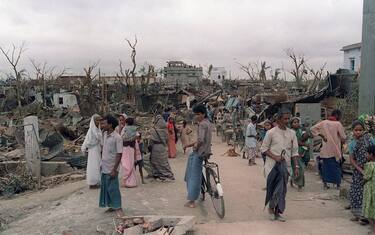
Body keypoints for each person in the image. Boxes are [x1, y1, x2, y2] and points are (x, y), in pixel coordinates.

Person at [261, 108, 299, 222]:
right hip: (272, 166)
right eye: (285, 119)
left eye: (288, 119)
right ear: (279, 119)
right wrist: (276, 157)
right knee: (275, 189)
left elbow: (294, 152)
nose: (287, 121)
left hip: (285, 166)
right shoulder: (271, 132)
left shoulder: (292, 133)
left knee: (282, 190)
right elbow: (264, 149)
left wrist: (296, 166)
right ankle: (271, 209)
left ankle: (278, 212)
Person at [183, 104, 212, 208]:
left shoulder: (202, 124)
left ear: (203, 114)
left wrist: (195, 147)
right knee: (195, 173)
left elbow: (200, 140)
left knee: (192, 175)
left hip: (200, 152)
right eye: (195, 114)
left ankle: (191, 201)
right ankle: (197, 192)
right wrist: (190, 144)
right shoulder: (208, 123)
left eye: (198, 114)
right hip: (206, 151)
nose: (197, 116)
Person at [311, 109, 346, 189]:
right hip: (335, 150)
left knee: (325, 167)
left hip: (325, 149)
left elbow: (312, 129)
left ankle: (325, 184)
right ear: (337, 115)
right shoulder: (338, 124)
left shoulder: (323, 123)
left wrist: (321, 135)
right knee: (336, 167)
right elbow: (343, 137)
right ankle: (337, 184)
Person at [349, 121, 375, 223]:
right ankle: (357, 215)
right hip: (358, 171)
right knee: (356, 192)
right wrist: (360, 170)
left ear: (363, 130)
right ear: (352, 131)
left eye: (360, 130)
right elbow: (352, 160)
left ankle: (365, 217)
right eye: (356, 130)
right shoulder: (352, 144)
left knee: (368, 194)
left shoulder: (370, 139)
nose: (358, 132)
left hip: (371, 171)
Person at [99, 115, 124, 217]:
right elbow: (103, 149)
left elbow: (119, 154)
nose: (102, 125)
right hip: (105, 165)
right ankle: (112, 205)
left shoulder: (117, 138)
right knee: (106, 187)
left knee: (113, 188)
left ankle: (118, 207)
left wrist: (114, 169)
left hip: (112, 167)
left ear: (110, 125)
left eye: (104, 123)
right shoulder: (104, 135)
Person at [149, 115, 175, 182]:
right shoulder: (165, 130)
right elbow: (166, 139)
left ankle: (158, 174)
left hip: (155, 147)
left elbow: (151, 140)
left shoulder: (153, 130)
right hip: (162, 147)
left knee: (155, 161)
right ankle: (168, 174)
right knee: (163, 162)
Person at [81, 114, 102, 189]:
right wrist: (95, 143)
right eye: (97, 120)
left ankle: (97, 182)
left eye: (99, 120)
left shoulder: (98, 129)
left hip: (97, 149)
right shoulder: (91, 130)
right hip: (93, 150)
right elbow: (88, 142)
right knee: (93, 166)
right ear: (93, 121)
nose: (98, 122)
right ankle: (92, 182)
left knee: (98, 165)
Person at [120, 117, 139, 188]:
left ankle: (126, 179)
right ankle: (132, 182)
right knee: (131, 163)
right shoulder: (134, 129)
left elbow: (121, 137)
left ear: (126, 123)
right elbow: (137, 136)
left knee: (125, 163)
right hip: (131, 148)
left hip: (125, 148)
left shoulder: (124, 129)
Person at [290, 117, 306, 191]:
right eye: (294, 122)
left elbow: (304, 138)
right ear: (291, 124)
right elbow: (294, 142)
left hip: (300, 151)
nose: (296, 124)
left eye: (297, 122)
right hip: (292, 152)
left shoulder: (300, 131)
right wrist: (303, 144)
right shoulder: (290, 132)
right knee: (297, 168)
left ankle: (297, 183)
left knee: (300, 168)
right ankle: (296, 183)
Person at [363, 145, 375, 234]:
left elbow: (366, 177)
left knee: (370, 214)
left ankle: (373, 231)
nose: (365, 155)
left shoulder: (369, 165)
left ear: (371, 154)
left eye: (367, 153)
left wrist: (361, 183)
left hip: (370, 191)